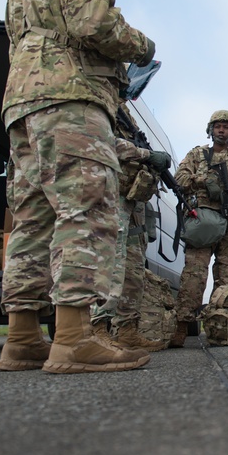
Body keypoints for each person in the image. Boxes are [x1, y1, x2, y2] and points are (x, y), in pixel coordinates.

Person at [0, 0, 155, 374]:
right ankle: (72, 340)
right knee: (85, 207)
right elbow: (93, 22)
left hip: (22, 104)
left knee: (33, 219)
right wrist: (141, 45)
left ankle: (22, 339)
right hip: (70, 97)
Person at [172, 110, 228, 347]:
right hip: (203, 221)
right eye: (218, 126)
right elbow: (179, 179)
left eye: (227, 127)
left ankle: (221, 329)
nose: (222, 130)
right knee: (194, 276)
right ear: (211, 129)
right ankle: (181, 326)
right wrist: (203, 181)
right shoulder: (197, 155)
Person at [89, 101, 171, 352]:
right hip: (109, 197)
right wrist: (145, 155)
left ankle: (127, 330)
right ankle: (97, 328)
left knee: (134, 271)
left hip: (133, 200)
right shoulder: (97, 106)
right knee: (110, 266)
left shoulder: (125, 114)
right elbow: (100, 142)